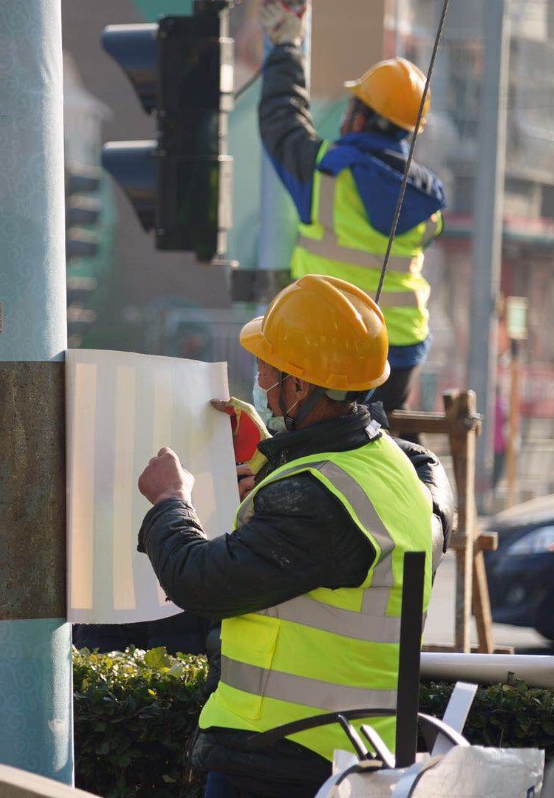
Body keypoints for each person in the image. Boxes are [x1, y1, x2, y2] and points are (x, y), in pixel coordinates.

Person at [136, 275, 454, 797]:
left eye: (268, 370)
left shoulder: (315, 504)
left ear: (302, 386)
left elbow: (199, 581)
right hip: (355, 755)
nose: (259, 381)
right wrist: (271, 453)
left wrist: (171, 501)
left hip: (279, 760)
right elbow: (411, 463)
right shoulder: (398, 474)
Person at [259, 0, 447, 414]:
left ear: (359, 120)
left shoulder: (325, 172)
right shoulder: (425, 198)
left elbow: (280, 119)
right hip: (399, 359)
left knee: (294, 427)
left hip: (327, 354)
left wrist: (286, 47)